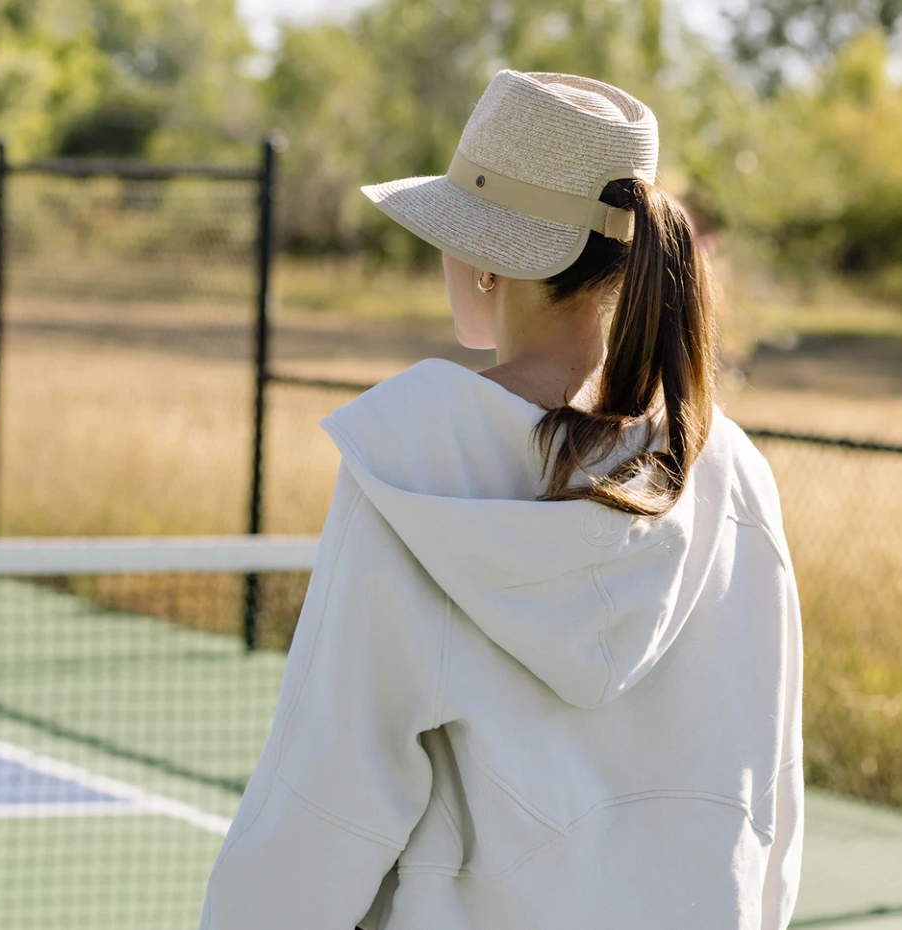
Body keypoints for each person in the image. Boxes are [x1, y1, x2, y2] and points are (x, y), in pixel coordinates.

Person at [197, 69, 804, 930]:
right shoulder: (731, 473)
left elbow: (323, 806)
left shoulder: (411, 466)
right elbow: (767, 790)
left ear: (486, 261)